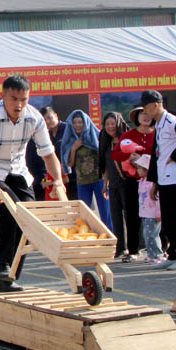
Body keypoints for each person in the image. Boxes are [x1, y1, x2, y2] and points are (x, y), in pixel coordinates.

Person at [0, 75, 66, 291]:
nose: (19, 104)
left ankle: (9, 276)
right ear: (3, 95)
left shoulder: (34, 118)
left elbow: (48, 154)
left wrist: (58, 180)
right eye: (14, 99)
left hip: (18, 172)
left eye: (24, 99)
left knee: (28, 218)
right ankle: (1, 264)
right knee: (8, 208)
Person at [144, 90, 176, 271]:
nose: (145, 112)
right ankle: (173, 254)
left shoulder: (171, 121)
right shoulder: (158, 125)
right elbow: (157, 155)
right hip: (163, 178)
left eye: (147, 108)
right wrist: (155, 183)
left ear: (156, 105)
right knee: (168, 219)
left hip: (175, 177)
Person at [112, 107, 154, 258]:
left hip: (153, 181)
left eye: (148, 113)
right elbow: (115, 154)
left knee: (156, 215)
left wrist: (146, 160)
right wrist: (129, 156)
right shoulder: (129, 135)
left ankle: (158, 249)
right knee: (132, 215)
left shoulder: (158, 134)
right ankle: (133, 250)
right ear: (137, 117)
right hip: (133, 181)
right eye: (142, 114)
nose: (145, 116)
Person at [62, 109, 107, 221]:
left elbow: (104, 158)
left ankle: (109, 236)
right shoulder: (71, 140)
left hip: (99, 180)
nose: (77, 125)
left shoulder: (95, 136)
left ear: (86, 123)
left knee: (105, 212)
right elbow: (70, 163)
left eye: (80, 122)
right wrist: (74, 148)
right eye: (75, 123)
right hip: (82, 182)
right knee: (84, 214)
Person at [99, 112, 127, 249]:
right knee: (116, 217)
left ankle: (135, 246)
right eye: (107, 124)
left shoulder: (126, 140)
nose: (110, 127)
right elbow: (106, 166)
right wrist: (105, 183)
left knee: (129, 216)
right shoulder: (106, 143)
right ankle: (120, 247)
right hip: (113, 184)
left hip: (127, 183)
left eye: (112, 123)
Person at [135, 154, 163, 264]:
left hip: (153, 214)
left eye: (139, 168)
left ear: (147, 169)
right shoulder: (141, 181)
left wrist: (158, 214)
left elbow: (158, 200)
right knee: (147, 235)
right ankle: (151, 255)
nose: (137, 171)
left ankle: (158, 255)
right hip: (145, 213)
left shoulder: (153, 184)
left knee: (153, 235)